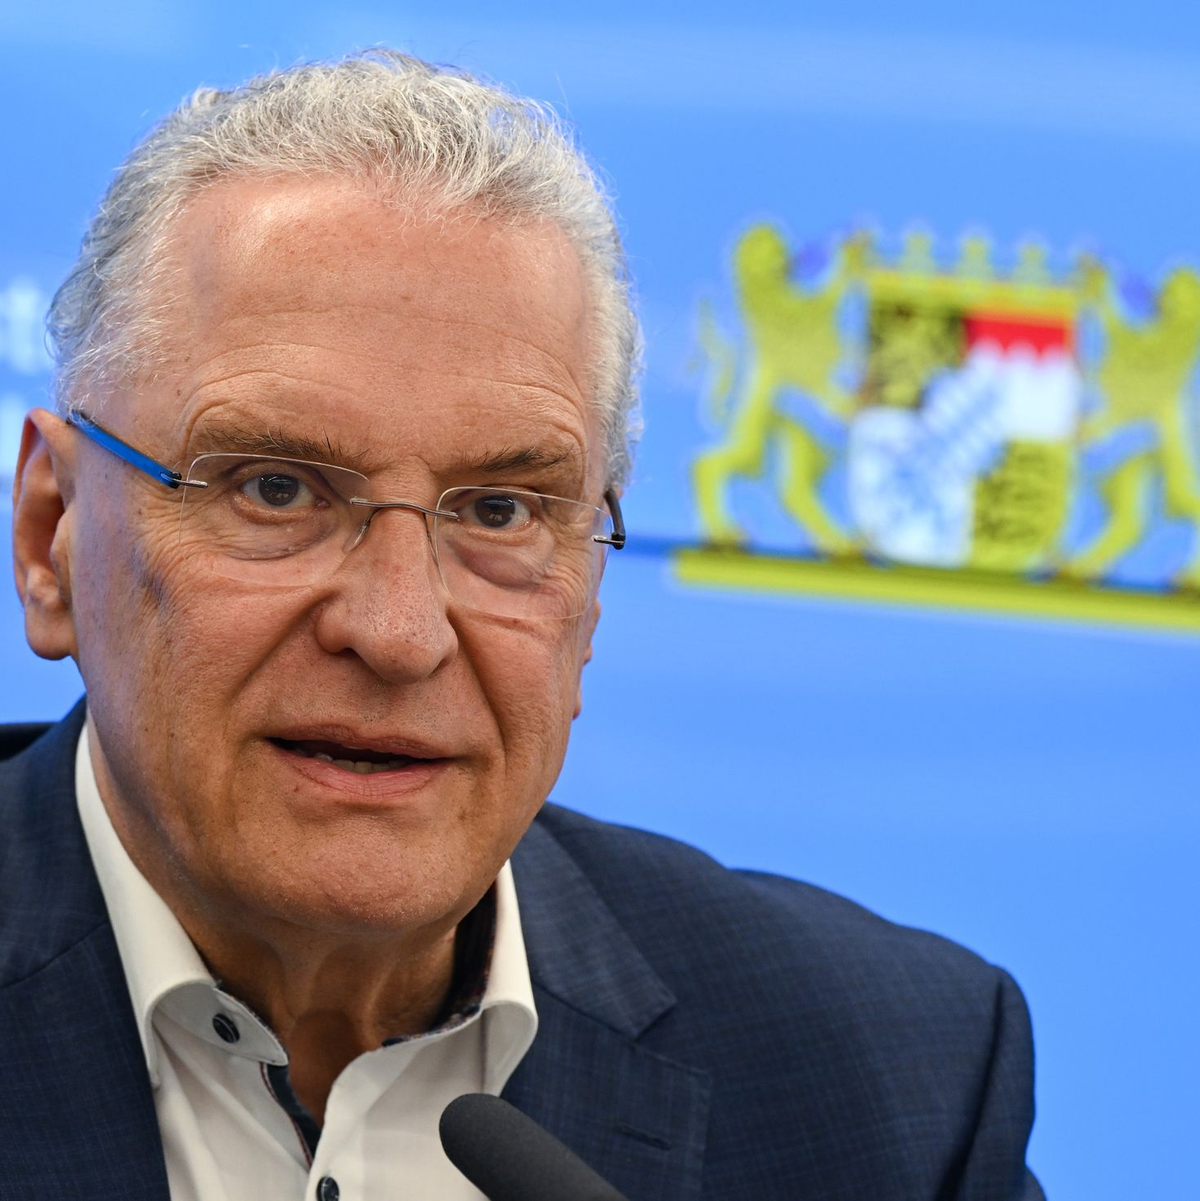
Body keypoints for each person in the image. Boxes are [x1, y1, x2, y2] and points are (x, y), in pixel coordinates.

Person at [0, 50, 1043, 1200]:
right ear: (53, 536)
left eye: (500, 510)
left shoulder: (891, 1084)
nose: (399, 631)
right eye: (277, 489)